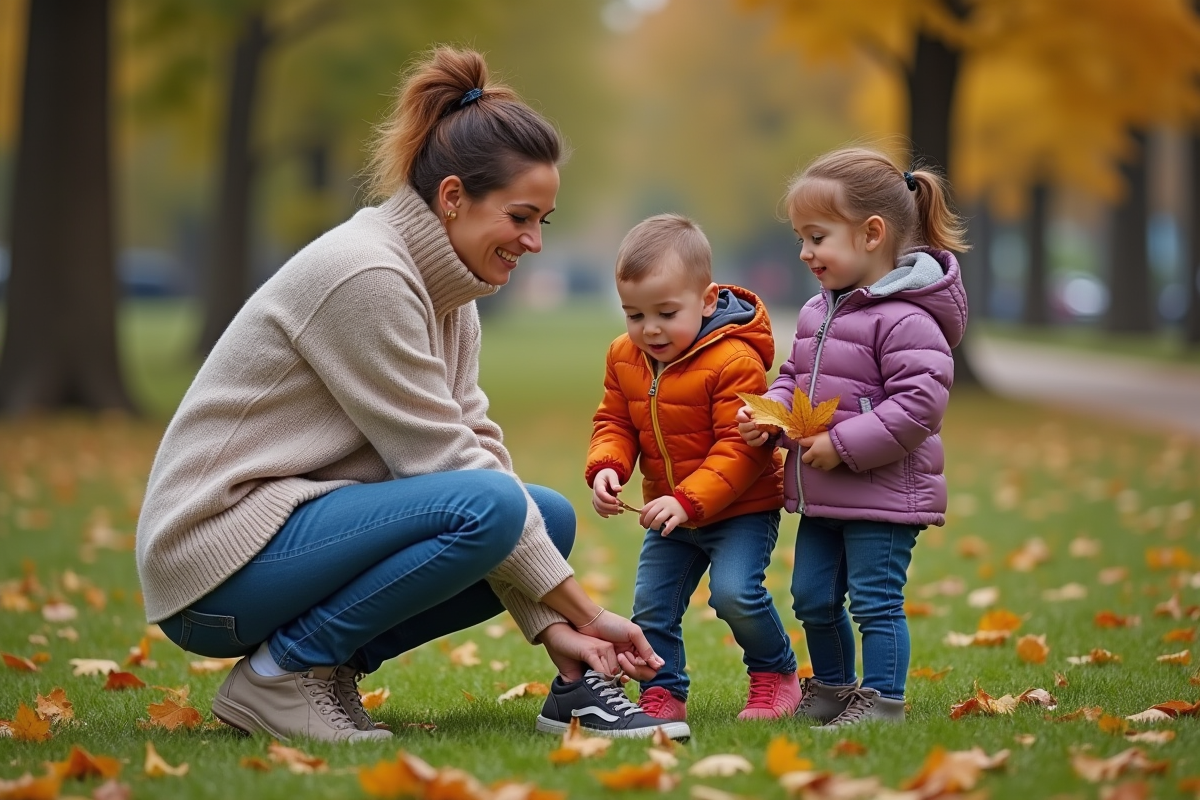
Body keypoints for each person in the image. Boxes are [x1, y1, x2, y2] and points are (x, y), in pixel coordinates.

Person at [135, 46, 671, 744]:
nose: (534, 241)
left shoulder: (451, 296)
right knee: (497, 506)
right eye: (520, 216)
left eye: (543, 220)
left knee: (545, 515)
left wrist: (553, 627)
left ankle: (318, 671)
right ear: (452, 198)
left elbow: (478, 450)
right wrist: (587, 611)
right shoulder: (366, 275)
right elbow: (444, 462)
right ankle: (280, 675)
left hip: (290, 536)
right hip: (213, 564)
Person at [737, 147, 968, 727]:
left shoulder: (908, 318)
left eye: (817, 237)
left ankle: (883, 701)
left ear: (871, 234)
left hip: (883, 496)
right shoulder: (818, 312)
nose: (805, 252)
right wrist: (773, 415)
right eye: (800, 238)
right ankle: (835, 688)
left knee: (875, 600)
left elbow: (919, 404)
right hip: (824, 493)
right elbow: (794, 377)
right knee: (812, 595)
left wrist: (842, 445)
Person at [583, 213, 799, 726]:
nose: (650, 329)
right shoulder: (625, 356)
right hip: (670, 512)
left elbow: (741, 449)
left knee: (735, 593)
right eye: (634, 314)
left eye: (665, 312)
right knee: (652, 605)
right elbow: (615, 421)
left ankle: (776, 673)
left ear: (706, 301)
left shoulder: (734, 361)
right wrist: (607, 467)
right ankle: (662, 691)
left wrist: (687, 500)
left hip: (741, 509)